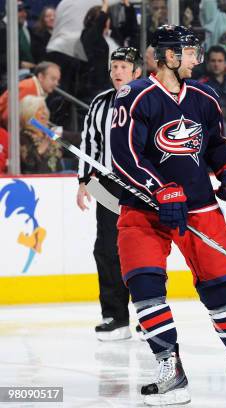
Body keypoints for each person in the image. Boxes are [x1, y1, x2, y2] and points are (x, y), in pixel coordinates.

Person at [110, 25, 226, 406]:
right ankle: (169, 367)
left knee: (222, 288)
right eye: (190, 52)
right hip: (145, 208)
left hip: (199, 206)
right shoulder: (134, 96)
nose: (196, 58)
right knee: (144, 287)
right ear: (169, 56)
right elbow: (124, 157)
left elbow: (216, 146)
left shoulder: (205, 97)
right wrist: (160, 187)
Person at [77, 47, 143, 341]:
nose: (118, 72)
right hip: (104, 184)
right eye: (114, 66)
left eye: (124, 67)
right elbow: (88, 142)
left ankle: (149, 315)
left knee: (143, 250)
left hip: (141, 185)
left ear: (136, 72)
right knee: (106, 248)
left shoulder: (147, 99)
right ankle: (115, 317)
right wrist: (83, 182)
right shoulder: (99, 103)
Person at [0, 61, 61, 128]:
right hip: (9, 132)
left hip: (21, 132)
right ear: (41, 77)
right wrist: (49, 133)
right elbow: (9, 118)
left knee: (62, 136)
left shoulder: (36, 88)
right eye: (53, 79)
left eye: (57, 80)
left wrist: (49, 133)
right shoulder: (28, 88)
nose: (56, 84)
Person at [19, 95, 63, 174]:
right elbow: (28, 164)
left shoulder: (50, 131)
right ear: (29, 113)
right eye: (39, 109)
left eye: (45, 109)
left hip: (60, 180)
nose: (44, 112)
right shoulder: (22, 137)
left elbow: (75, 139)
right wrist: (45, 143)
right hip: (38, 181)